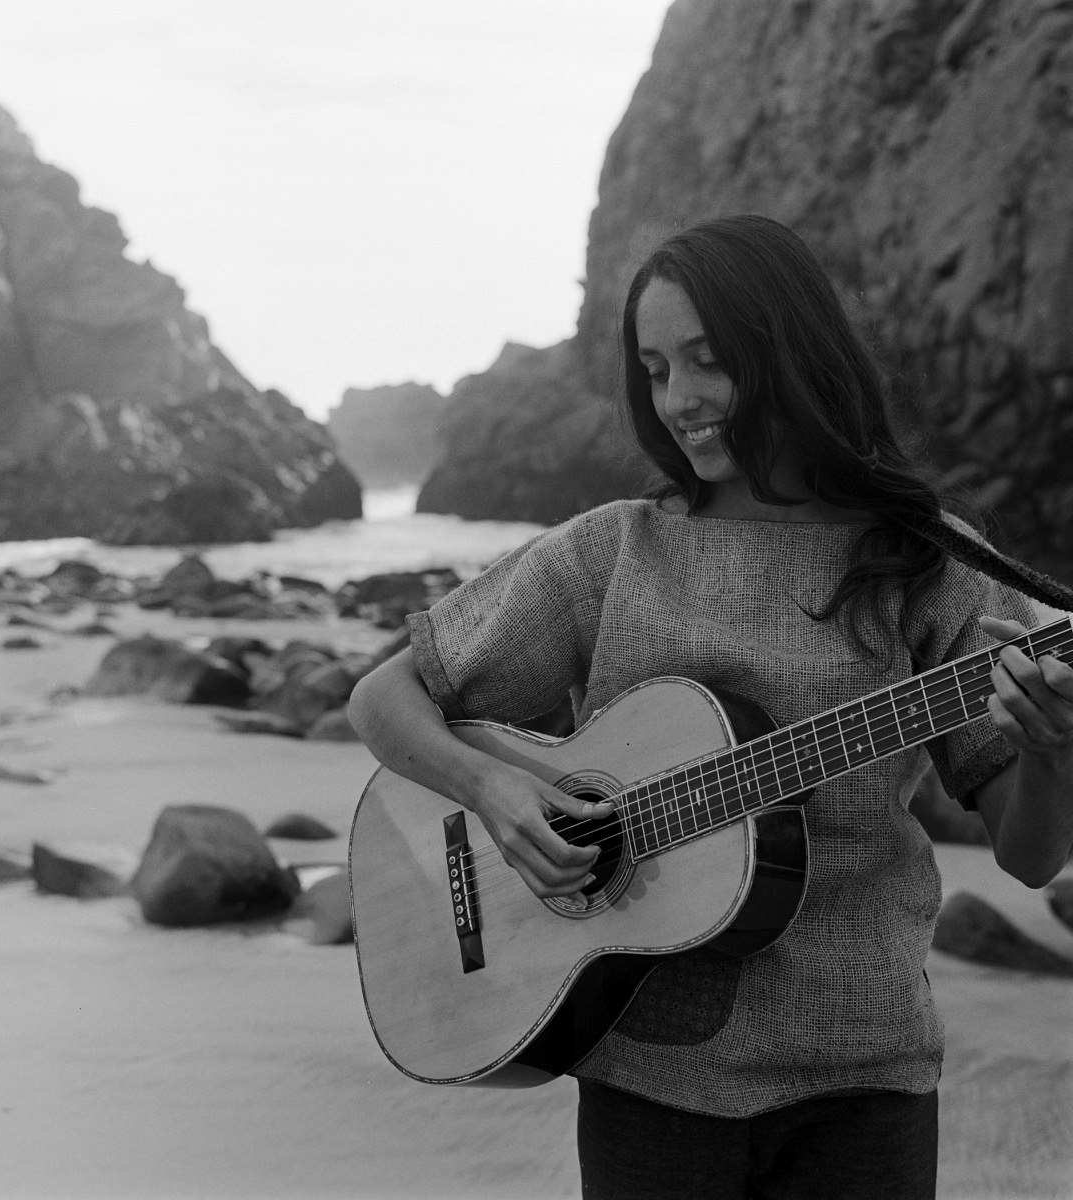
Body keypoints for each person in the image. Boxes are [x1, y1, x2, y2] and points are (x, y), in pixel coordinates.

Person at [347, 214, 1073, 1199]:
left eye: (706, 359)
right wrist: (498, 795)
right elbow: (384, 698)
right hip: (651, 1085)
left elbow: (1033, 855)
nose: (680, 399)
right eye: (655, 369)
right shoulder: (611, 554)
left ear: (788, 349)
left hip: (864, 1080)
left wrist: (1053, 749)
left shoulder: (925, 564)